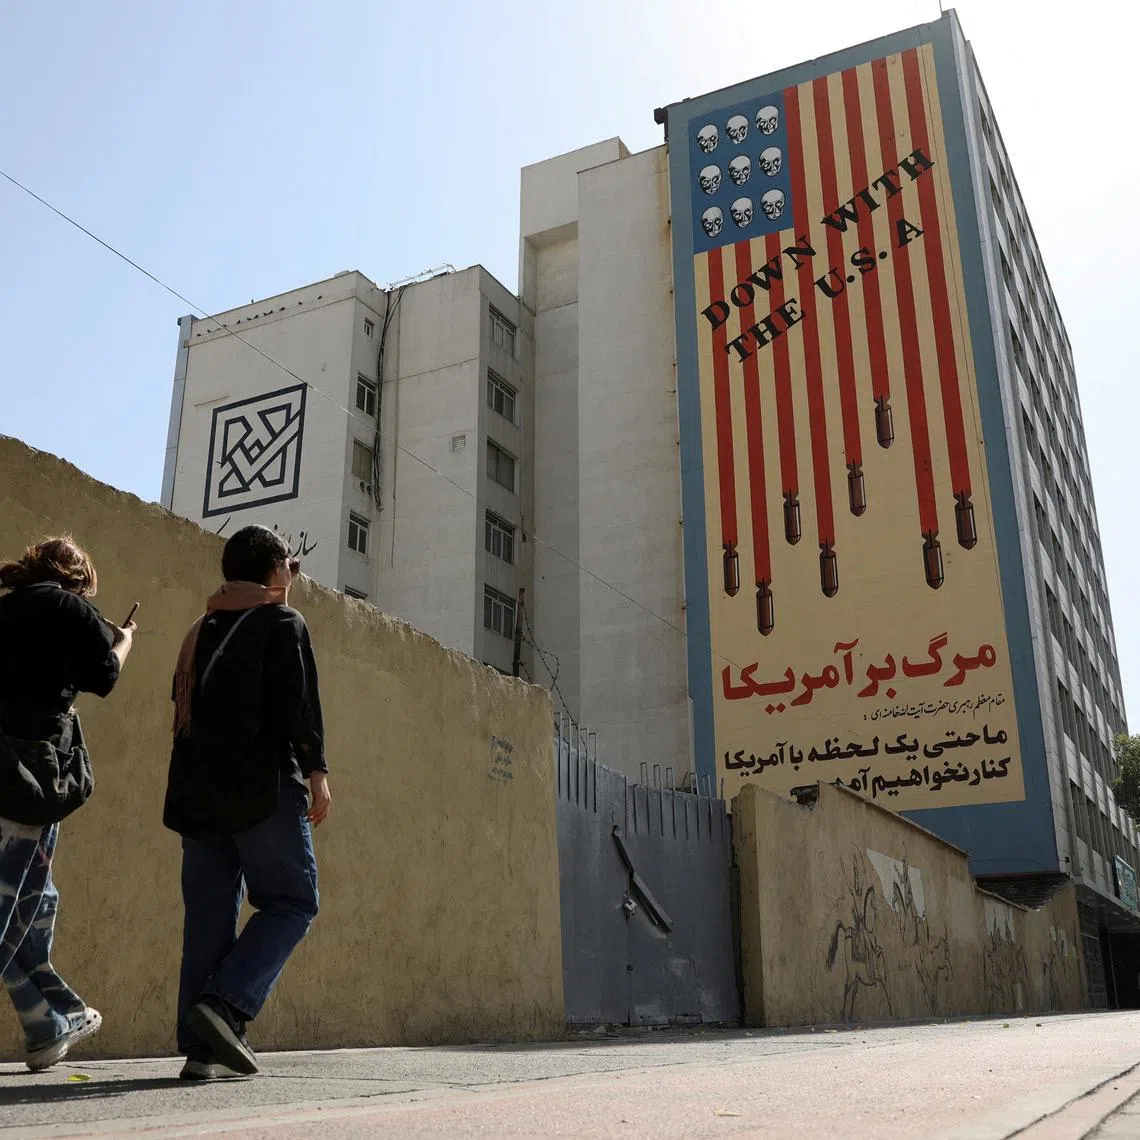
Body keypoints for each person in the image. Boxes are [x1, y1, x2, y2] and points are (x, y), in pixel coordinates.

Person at [164, 524, 331, 1082]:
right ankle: (228, 1005)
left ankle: (201, 1047)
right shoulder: (283, 622)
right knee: (293, 901)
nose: (293, 572)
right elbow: (297, 705)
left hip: (198, 795)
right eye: (289, 563)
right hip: (261, 789)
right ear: (272, 571)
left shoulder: (200, 629)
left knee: (208, 919)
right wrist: (317, 770)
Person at [0, 537, 135, 1071]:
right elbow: (102, 675)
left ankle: (48, 1021)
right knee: (12, 903)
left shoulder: (7, 608)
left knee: (34, 898)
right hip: (31, 772)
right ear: (77, 577)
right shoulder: (69, 607)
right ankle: (52, 1017)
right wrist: (124, 641)